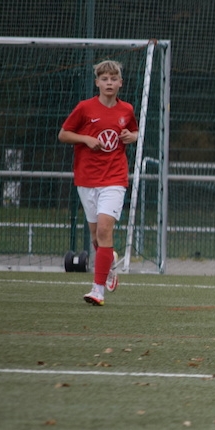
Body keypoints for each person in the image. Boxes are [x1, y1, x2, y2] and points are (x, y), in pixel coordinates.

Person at [58, 59, 139, 306]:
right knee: (96, 236)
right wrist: (85, 139)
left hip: (114, 178)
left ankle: (97, 290)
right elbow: (63, 134)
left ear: (120, 83)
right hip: (87, 178)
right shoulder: (85, 108)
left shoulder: (127, 110)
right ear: (97, 83)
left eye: (113, 79)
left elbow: (134, 132)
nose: (109, 83)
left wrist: (132, 136)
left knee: (104, 230)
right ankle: (109, 263)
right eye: (104, 79)